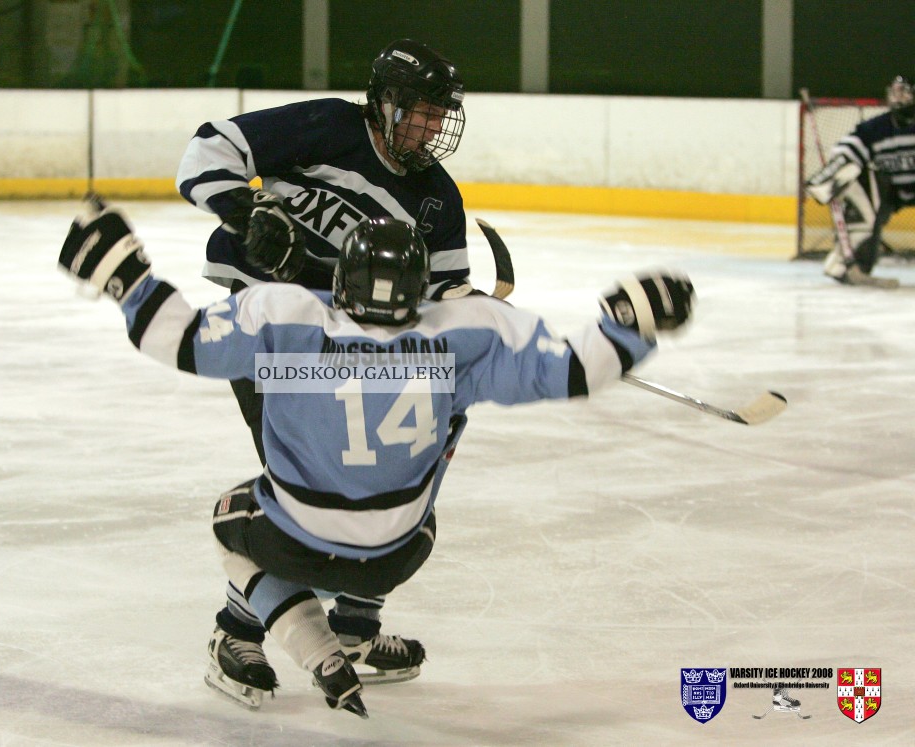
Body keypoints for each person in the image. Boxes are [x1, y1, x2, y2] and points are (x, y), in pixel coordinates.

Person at [58, 196, 696, 717]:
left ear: (341, 279)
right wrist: (630, 323)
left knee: (233, 522)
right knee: (427, 481)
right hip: (397, 558)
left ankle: (256, 638)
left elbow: (177, 339)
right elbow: (577, 370)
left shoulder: (288, 317)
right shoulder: (463, 336)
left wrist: (128, 275)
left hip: (296, 544)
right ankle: (358, 629)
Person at [174, 39, 474, 691]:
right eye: (420, 112)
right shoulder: (328, 128)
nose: (430, 128)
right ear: (386, 104)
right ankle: (237, 630)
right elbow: (206, 150)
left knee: (431, 428)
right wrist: (245, 212)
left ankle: (355, 625)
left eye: (438, 115)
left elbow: (444, 293)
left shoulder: (435, 199)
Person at [805, 75, 915, 287]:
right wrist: (827, 176)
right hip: (891, 192)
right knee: (859, 184)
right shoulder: (877, 128)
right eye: (894, 92)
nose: (897, 98)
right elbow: (847, 150)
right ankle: (851, 264)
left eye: (904, 92)